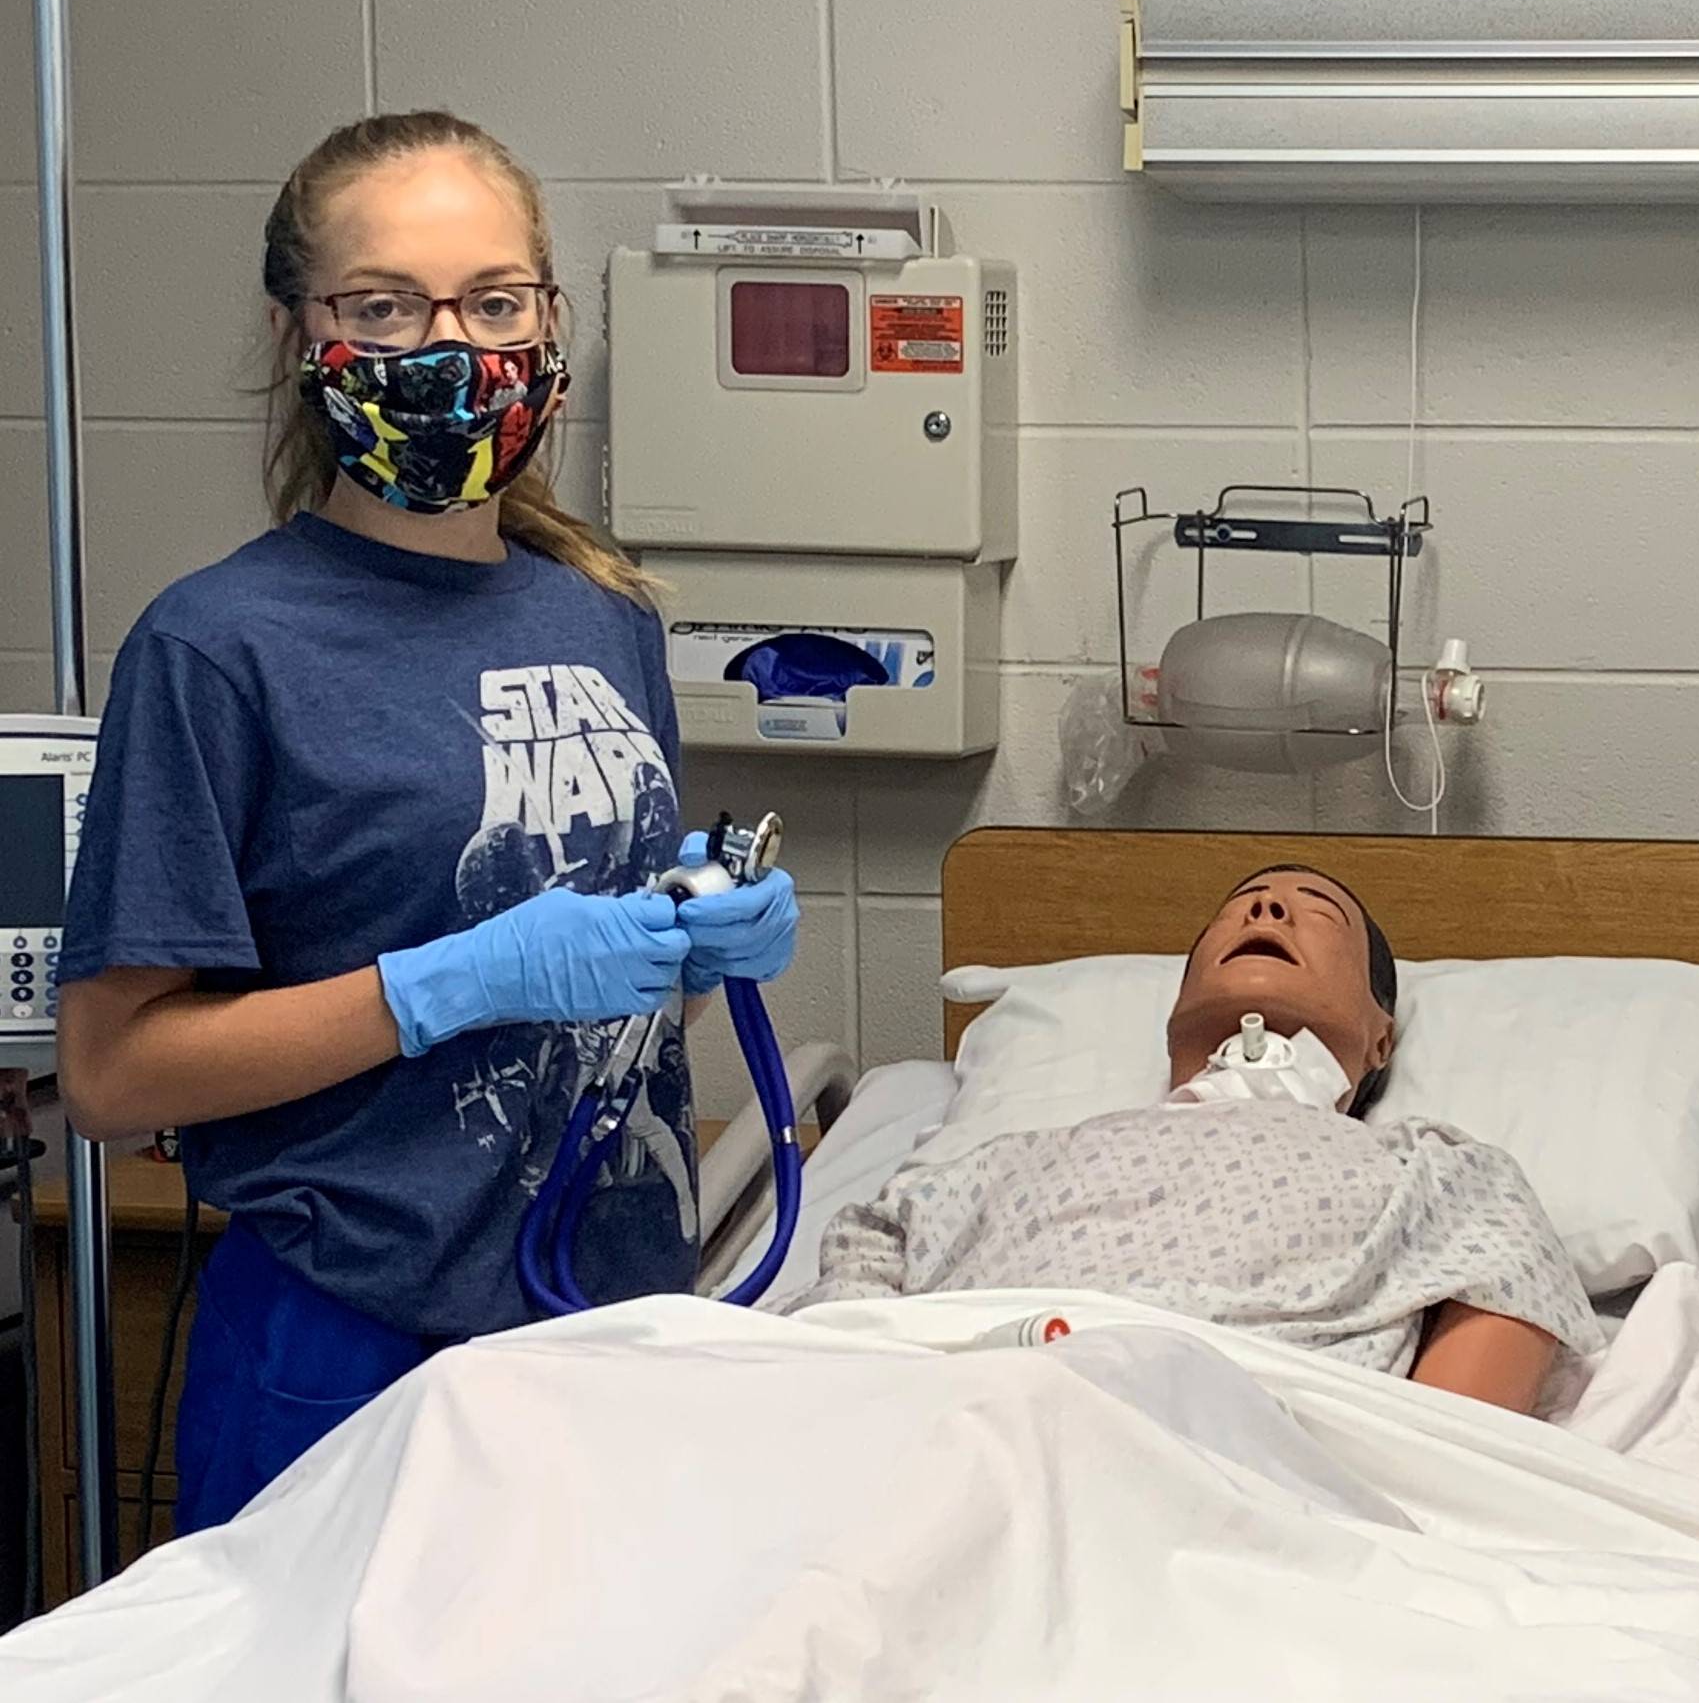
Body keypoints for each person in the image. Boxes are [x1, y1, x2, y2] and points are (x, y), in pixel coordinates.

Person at [53, 111, 802, 1533]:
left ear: (549, 321)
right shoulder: (219, 649)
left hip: (605, 1309)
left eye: (492, 300)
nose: (448, 345)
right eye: (384, 305)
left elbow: (594, 1010)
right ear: (298, 336)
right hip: (349, 1341)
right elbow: (110, 1073)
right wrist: (453, 980)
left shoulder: (605, 613)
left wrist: (689, 952)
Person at [792, 866, 1597, 1417]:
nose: (1265, 912)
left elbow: (1446, 1446)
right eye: (1238, 909)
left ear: (1381, 1041)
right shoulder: (992, 1166)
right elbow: (833, 1351)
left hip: (1227, 1449)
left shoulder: (1438, 1174)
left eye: (1314, 915)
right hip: (952, 1418)